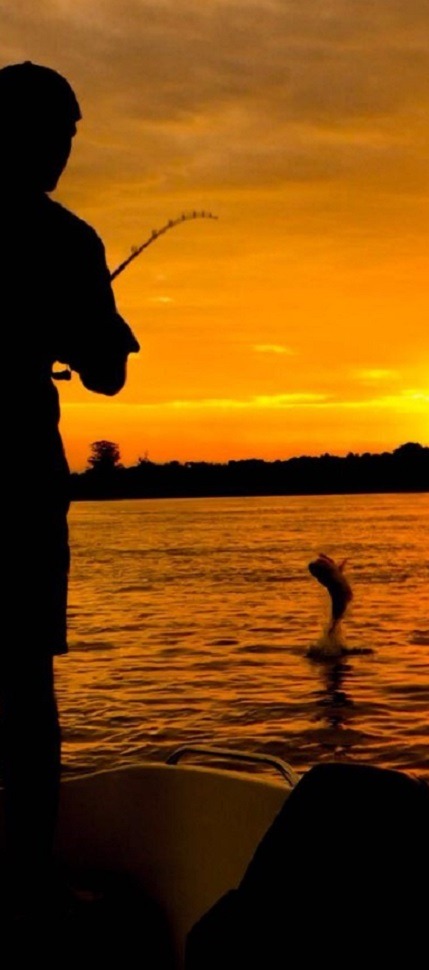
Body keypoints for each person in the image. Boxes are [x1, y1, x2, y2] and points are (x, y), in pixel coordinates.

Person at [0, 61, 139, 919]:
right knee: (24, 685)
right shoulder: (67, 241)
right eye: (59, 135)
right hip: (15, 480)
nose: (63, 151)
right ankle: (27, 884)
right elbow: (108, 375)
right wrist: (98, 329)